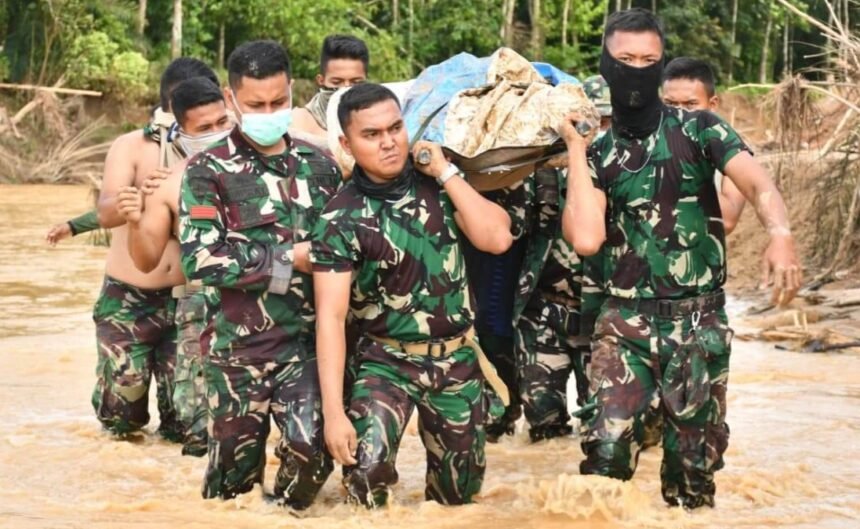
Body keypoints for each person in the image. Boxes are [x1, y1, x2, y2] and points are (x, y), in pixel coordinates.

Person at [561, 8, 801, 509]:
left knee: (691, 477)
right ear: (605, 64)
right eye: (626, 59)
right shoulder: (598, 153)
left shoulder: (699, 129)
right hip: (624, 324)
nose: (637, 69)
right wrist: (576, 151)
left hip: (697, 323)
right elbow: (585, 238)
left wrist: (780, 234)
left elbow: (756, 182)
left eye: (649, 60)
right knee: (605, 459)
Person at [311, 83, 513, 507]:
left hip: (456, 359)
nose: (388, 142)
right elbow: (330, 317)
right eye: (372, 135)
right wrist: (334, 413)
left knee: (458, 502)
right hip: (385, 362)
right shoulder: (340, 217)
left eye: (395, 128)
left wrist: (445, 171)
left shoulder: (441, 184)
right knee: (365, 479)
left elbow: (497, 239)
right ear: (347, 145)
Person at [178, 40, 341, 505]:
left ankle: (285, 513)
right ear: (231, 99)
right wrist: (289, 259)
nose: (269, 113)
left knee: (311, 454)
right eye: (256, 105)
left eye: (278, 101)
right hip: (237, 353)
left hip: (305, 348)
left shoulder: (321, 166)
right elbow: (201, 258)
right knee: (232, 491)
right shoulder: (207, 172)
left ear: (292, 91)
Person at [92, 58, 219, 441]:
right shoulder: (133, 146)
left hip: (190, 300)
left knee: (187, 424)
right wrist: (142, 196)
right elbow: (105, 213)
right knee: (121, 418)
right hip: (130, 299)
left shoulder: (221, 155)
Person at [115, 76, 233, 456]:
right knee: (196, 431)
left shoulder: (268, 166)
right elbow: (146, 258)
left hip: (263, 311)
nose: (216, 133)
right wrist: (135, 221)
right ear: (182, 132)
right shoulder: (172, 181)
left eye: (222, 122)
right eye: (204, 127)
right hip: (198, 311)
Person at [662, 57, 746, 234]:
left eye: (690, 104)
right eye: (670, 104)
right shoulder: (645, 144)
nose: (679, 113)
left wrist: (684, 167)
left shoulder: (730, 148)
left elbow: (727, 221)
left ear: (712, 104)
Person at [290, 34, 369, 143]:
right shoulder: (298, 124)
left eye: (356, 82)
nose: (345, 90)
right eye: (337, 82)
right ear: (321, 81)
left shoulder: (378, 120)